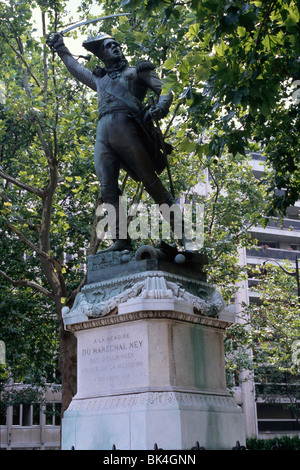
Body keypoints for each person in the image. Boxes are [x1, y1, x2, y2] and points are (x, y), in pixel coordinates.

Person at [47, 32, 186, 251]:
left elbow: (165, 89)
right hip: (103, 133)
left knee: (151, 182)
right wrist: (61, 48)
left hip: (127, 127)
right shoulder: (99, 80)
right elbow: (76, 69)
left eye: (116, 44)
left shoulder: (137, 71)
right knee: (107, 188)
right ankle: (121, 240)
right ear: (101, 54)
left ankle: (183, 234)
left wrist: (161, 107)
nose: (115, 47)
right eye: (108, 46)